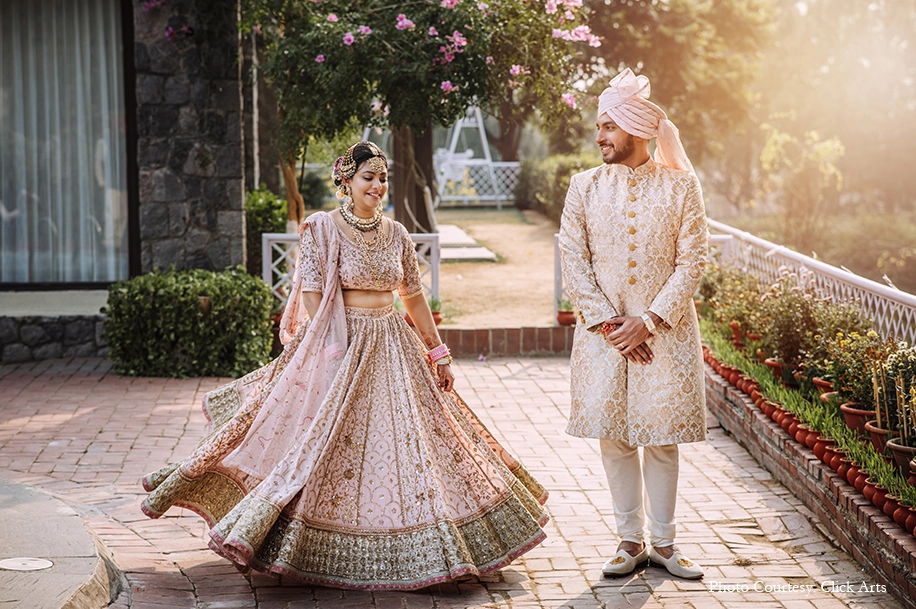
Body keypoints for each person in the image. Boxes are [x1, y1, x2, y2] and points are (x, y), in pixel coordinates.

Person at [141, 141, 548, 590]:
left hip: (393, 345)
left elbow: (413, 298)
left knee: (407, 444)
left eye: (383, 178)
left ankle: (419, 543)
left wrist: (438, 352)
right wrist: (333, 349)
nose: (377, 186)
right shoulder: (323, 228)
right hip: (340, 342)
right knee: (322, 442)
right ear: (346, 181)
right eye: (368, 177)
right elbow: (313, 294)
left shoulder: (397, 234)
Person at [558, 69, 708, 580]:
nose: (599, 136)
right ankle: (629, 541)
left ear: (637, 129)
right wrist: (611, 326)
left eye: (608, 126)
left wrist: (647, 322)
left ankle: (664, 544)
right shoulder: (584, 187)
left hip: (664, 335)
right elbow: (573, 259)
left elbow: (692, 262)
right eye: (599, 127)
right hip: (603, 338)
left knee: (662, 438)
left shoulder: (682, 187)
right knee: (615, 438)